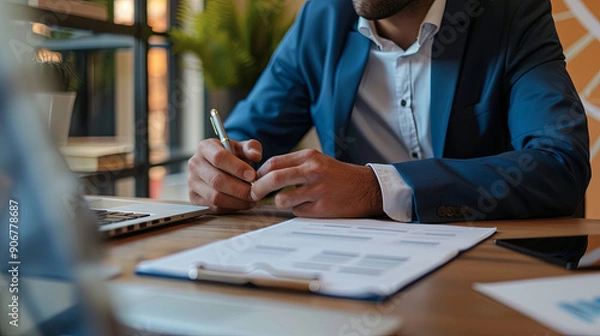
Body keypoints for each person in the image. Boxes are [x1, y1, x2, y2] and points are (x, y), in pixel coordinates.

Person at [187, 0, 591, 223]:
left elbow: (559, 164)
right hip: (355, 269)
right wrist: (220, 170)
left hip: (489, 268)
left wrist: (377, 188)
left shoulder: (510, 12)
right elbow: (247, 140)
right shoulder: (322, 19)